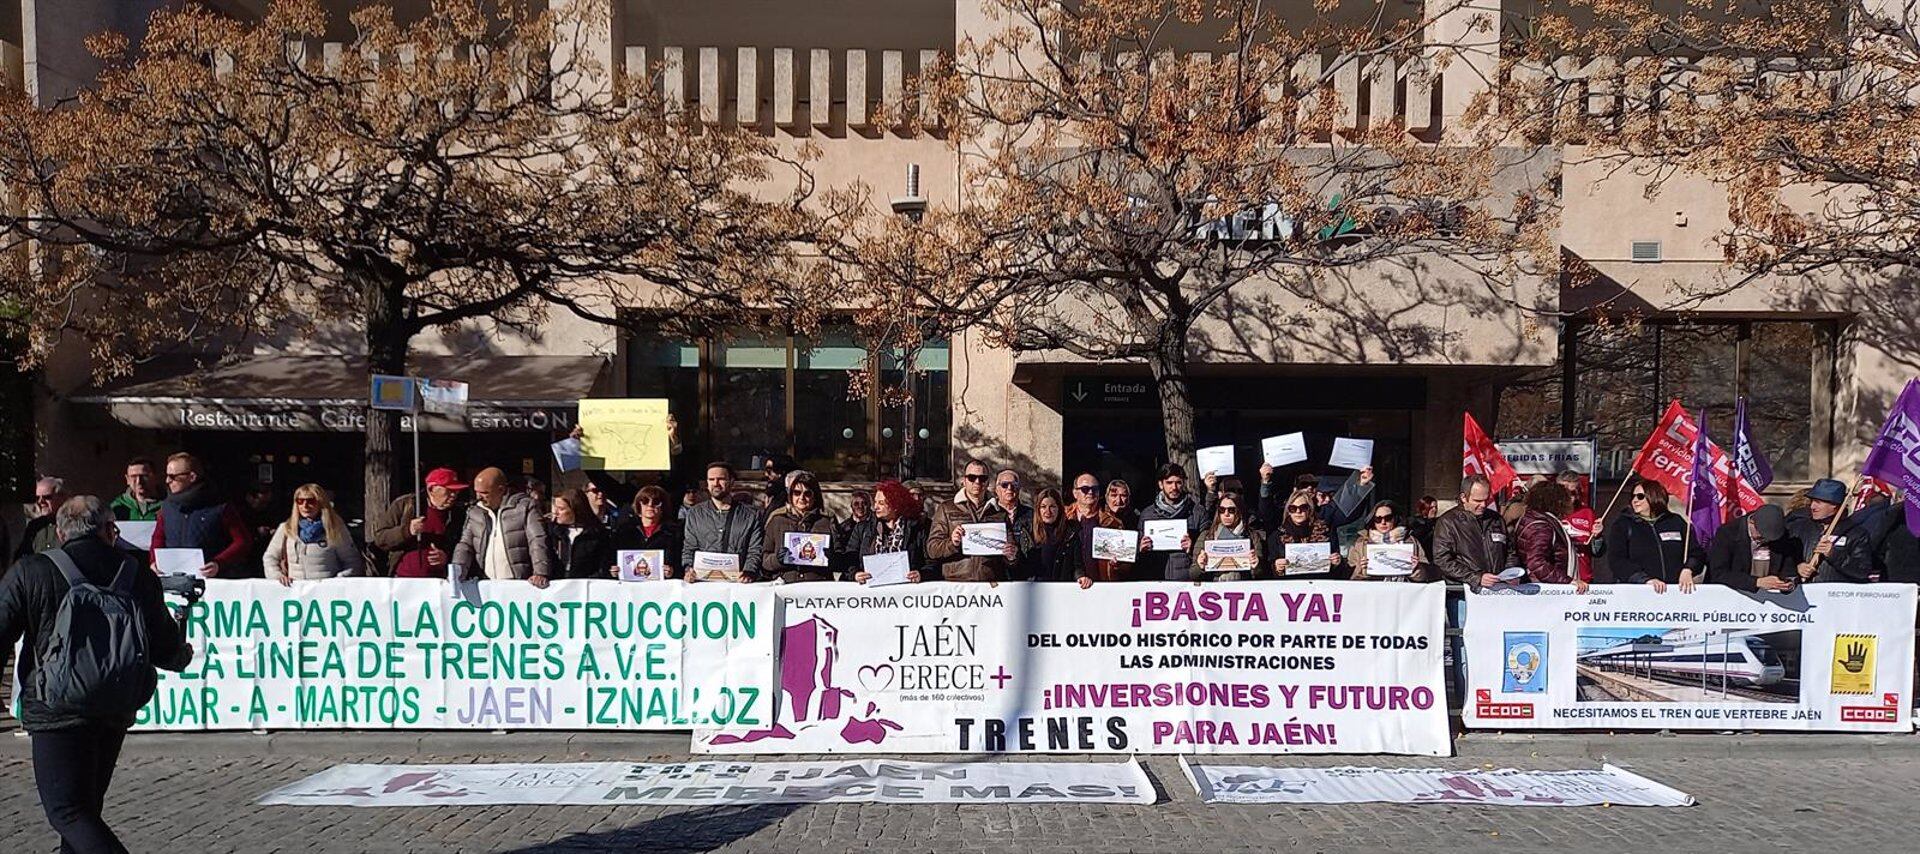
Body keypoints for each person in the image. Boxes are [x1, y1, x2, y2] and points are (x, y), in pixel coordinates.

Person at [0, 496, 192, 854]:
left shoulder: (31, 570)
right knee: (84, 811)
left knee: (68, 811)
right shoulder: (135, 573)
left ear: (59, 533)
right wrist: (183, 652)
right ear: (110, 530)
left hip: (54, 706)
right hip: (114, 706)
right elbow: (166, 649)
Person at [151, 453, 254, 578]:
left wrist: (219, 563)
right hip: (173, 578)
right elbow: (158, 538)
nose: (167, 481)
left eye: (173, 477)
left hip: (212, 581)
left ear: (192, 477)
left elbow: (242, 541)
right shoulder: (167, 506)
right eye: (167, 476)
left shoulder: (219, 506)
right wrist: (154, 561)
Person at [453, 467, 554, 586]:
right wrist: (457, 573)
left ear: (501, 490)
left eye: (484, 493)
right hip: (486, 583)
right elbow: (465, 545)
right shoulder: (475, 512)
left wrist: (540, 572)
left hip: (518, 583)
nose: (478, 497)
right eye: (476, 492)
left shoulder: (525, 507)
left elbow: (537, 539)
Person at [370, 468, 470, 579]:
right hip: (402, 580)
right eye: (449, 490)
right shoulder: (406, 505)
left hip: (439, 584)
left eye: (456, 491)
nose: (453, 495)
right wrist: (407, 531)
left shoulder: (458, 515)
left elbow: (463, 547)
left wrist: (446, 557)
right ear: (431, 489)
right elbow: (380, 539)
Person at [1603, 480, 1696, 592]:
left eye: (1640, 496)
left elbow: (1696, 552)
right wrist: (1644, 580)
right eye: (1633, 497)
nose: (1635, 500)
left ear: (1654, 496)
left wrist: (1688, 570)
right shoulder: (1623, 524)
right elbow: (1617, 560)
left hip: (1674, 593)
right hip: (1637, 593)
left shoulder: (1676, 522)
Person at [680, 461, 764, 582]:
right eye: (711, 479)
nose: (716, 483)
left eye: (721, 479)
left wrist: (749, 571)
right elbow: (689, 547)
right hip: (703, 583)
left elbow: (755, 549)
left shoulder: (750, 515)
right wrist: (688, 569)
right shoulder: (695, 514)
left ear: (731, 481)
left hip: (738, 584)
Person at [263, 483, 363, 584]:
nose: (305, 506)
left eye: (310, 501)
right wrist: (277, 577)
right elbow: (270, 557)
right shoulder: (286, 528)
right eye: (300, 501)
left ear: (321, 503)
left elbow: (352, 561)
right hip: (295, 591)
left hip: (326, 592)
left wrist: (338, 581)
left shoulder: (335, 528)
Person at [1431, 475, 1510, 590]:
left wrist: (1510, 573)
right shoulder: (1448, 522)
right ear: (1463, 497)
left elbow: (1510, 551)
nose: (1483, 505)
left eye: (1486, 500)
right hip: (1464, 592)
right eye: (1477, 501)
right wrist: (1475, 578)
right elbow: (1442, 560)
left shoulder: (1496, 519)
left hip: (1498, 590)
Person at [1701, 503, 1801, 592]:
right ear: (1752, 523)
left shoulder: (1780, 535)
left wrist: (1787, 583)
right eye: (1761, 536)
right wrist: (1756, 582)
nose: (1765, 540)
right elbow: (1719, 573)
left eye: (1770, 538)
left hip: (1769, 600)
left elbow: (1789, 568)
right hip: (1731, 597)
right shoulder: (1727, 533)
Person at [1137, 464, 1212, 581]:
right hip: (1156, 580)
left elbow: (1207, 549)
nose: (1174, 487)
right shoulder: (1147, 514)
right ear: (1161, 484)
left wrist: (1192, 548)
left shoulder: (1197, 512)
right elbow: (1137, 558)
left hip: (1187, 580)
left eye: (1178, 482)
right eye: (1169, 482)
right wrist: (1141, 549)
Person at [760, 474, 838, 583]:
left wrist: (830, 557)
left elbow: (840, 558)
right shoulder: (777, 520)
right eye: (797, 493)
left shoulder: (826, 522)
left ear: (815, 496)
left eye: (807, 493)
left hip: (818, 586)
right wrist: (777, 559)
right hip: (786, 585)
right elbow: (764, 560)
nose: (801, 497)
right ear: (790, 495)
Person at [854, 480, 928, 585]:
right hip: (871, 593)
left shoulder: (917, 528)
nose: (875, 507)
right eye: (875, 502)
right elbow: (849, 559)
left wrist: (921, 574)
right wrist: (855, 574)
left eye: (881, 503)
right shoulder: (863, 529)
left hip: (907, 591)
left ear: (895, 505)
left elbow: (931, 562)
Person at [1513, 480, 1579, 586]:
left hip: (1540, 586)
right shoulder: (1541, 526)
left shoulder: (1531, 518)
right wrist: (1567, 581)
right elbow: (1536, 563)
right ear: (1557, 502)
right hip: (1545, 591)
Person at [1068, 472, 1130, 584]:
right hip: (1064, 588)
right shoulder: (1063, 518)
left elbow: (1126, 566)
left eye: (1095, 489)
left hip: (1102, 588)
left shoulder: (1114, 523)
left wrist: (1116, 565)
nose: (1090, 492)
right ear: (1075, 493)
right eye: (1085, 489)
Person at [1348, 500, 1432, 582]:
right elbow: (1350, 578)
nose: (1383, 522)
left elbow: (1426, 575)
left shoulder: (1410, 541)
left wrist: (1417, 569)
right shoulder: (1361, 543)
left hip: (1402, 592)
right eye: (1378, 519)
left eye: (1388, 518)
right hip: (1372, 592)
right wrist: (1361, 569)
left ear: (1395, 518)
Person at [610, 485, 682, 579]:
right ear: (639, 505)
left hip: (661, 589)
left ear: (663, 507)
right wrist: (612, 571)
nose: (650, 505)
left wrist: (672, 572)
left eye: (656, 502)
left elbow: (680, 563)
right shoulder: (624, 531)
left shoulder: (674, 533)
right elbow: (610, 560)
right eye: (645, 501)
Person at [1014, 487, 1082, 582]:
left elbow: (1077, 565)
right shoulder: (1028, 531)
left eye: (1052, 507)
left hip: (1062, 589)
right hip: (1034, 589)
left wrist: (1080, 576)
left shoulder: (1071, 532)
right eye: (1043, 507)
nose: (1048, 511)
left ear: (1059, 508)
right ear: (1038, 509)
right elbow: (1020, 565)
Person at [1268, 487, 1340, 577]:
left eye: (1303, 507)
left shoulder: (1326, 531)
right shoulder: (1277, 536)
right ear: (1288, 511)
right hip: (1291, 587)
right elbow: (1269, 571)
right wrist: (1277, 567)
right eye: (1293, 508)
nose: (1298, 511)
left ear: (1310, 509)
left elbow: (1337, 569)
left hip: (1320, 586)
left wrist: (1336, 562)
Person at [544, 488, 615, 580]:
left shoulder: (598, 534)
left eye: (561, 509)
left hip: (585, 587)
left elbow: (603, 565)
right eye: (555, 507)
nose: (556, 513)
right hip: (556, 586)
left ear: (575, 509)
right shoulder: (552, 532)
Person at [1191, 494, 1265, 581]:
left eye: (1231, 510)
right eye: (1222, 510)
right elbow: (1193, 574)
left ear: (1239, 511)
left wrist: (1256, 566)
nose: (1226, 514)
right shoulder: (1207, 536)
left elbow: (1262, 574)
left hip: (1244, 589)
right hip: (1214, 590)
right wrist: (1200, 566)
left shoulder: (1252, 536)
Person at [1787, 478, 1849, 582]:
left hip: (1834, 594)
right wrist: (1797, 566)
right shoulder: (1797, 528)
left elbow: (1862, 570)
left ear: (1834, 505)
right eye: (1812, 501)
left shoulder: (1855, 533)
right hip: (1801, 593)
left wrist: (1834, 554)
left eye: (1818, 502)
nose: (1812, 506)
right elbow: (1782, 559)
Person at [13, 476, 68, 560]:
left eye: (46, 497)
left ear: (62, 498)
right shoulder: (34, 526)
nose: (40, 502)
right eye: (37, 498)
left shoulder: (72, 524)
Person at [1557, 471, 1596, 585]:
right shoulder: (1550, 513)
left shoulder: (1587, 513)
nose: (1569, 496)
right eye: (1565, 492)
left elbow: (1597, 551)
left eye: (1573, 492)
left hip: (1584, 579)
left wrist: (1598, 537)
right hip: (1558, 580)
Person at [833, 490, 877, 579]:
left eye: (864, 503)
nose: (860, 507)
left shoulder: (877, 524)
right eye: (856, 504)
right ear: (851, 506)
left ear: (869, 505)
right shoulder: (843, 528)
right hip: (850, 571)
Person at [109, 459, 163, 523]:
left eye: (144, 476)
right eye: (133, 476)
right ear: (127, 479)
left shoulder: (168, 505)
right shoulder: (118, 507)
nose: (139, 482)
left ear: (155, 477)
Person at [991, 469, 1033, 535]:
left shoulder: (1031, 515)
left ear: (1019, 489)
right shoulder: (988, 513)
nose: (1009, 488)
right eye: (1004, 485)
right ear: (997, 490)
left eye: (1014, 485)